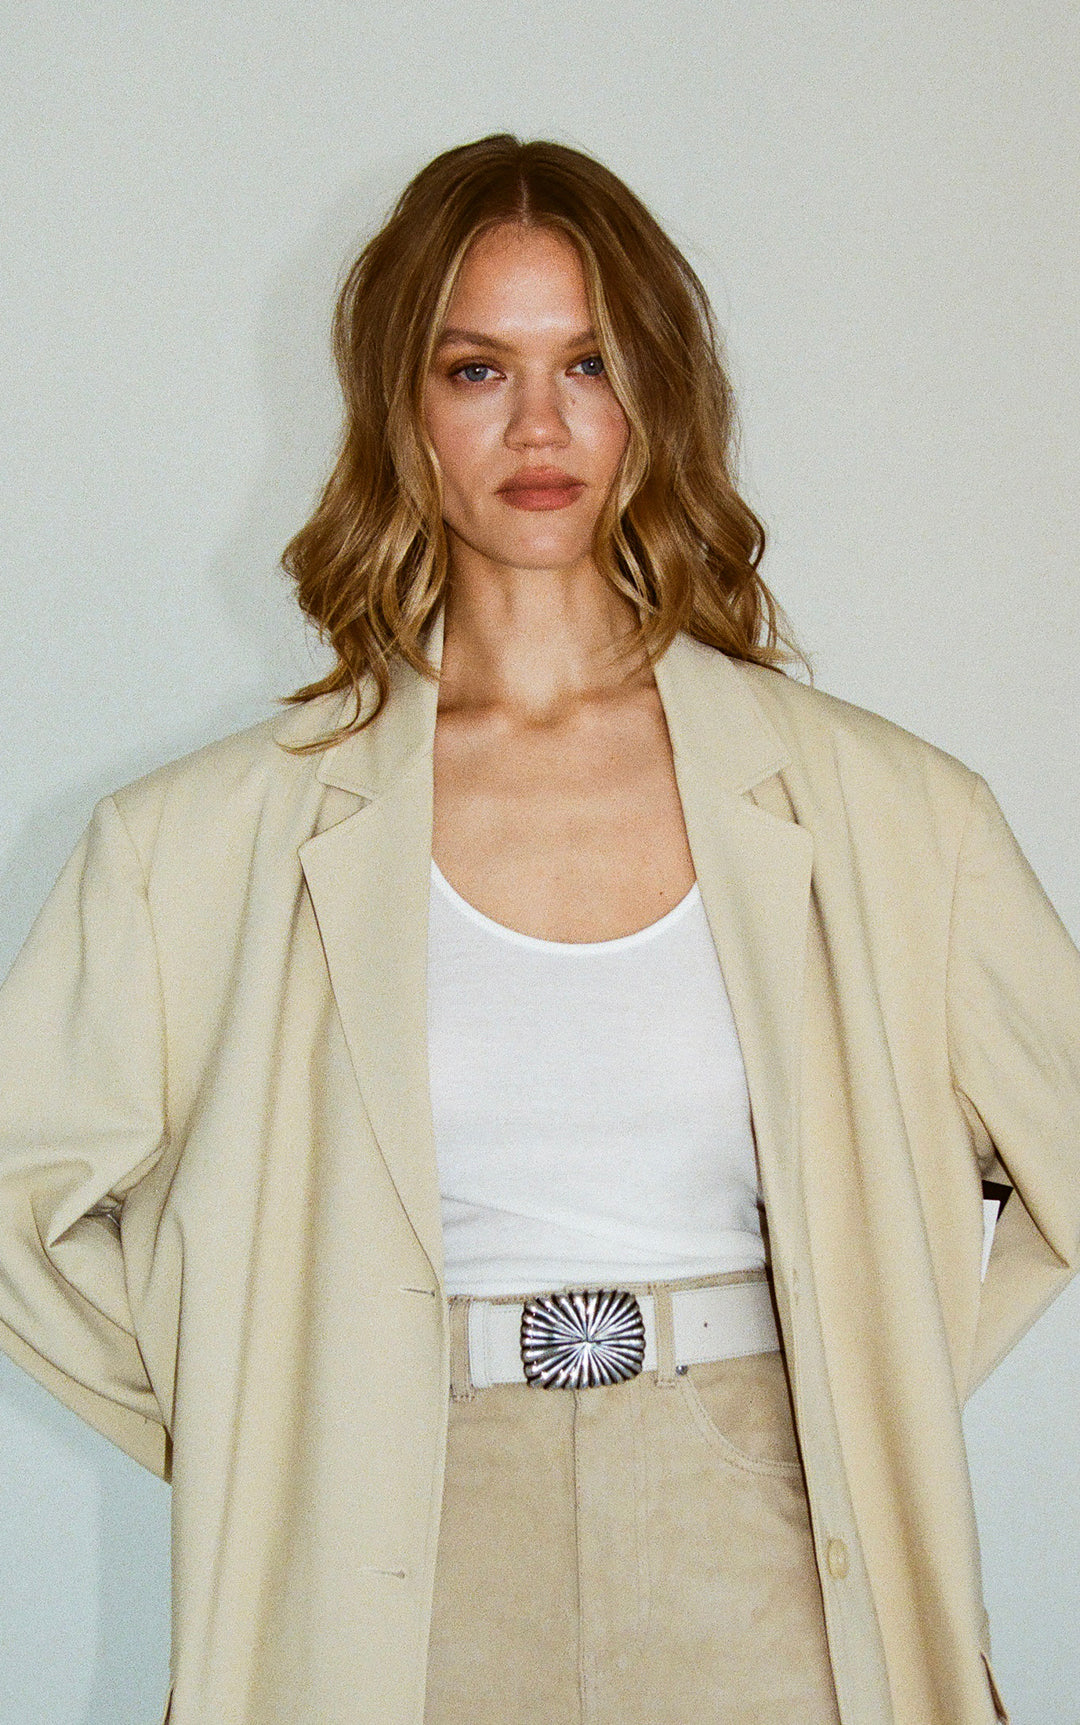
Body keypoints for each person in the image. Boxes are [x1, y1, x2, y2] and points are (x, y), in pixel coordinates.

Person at [0, 133, 1076, 1725]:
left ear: (658, 395)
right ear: (400, 405)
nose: (540, 424)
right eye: (476, 369)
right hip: (401, 1545)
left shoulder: (892, 811)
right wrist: (270, 1429)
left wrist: (875, 1381)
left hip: (762, 1530)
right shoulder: (199, 844)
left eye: (589, 361)